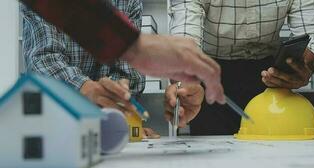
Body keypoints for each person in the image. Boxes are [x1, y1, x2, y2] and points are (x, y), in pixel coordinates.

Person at [166, 0, 314, 134]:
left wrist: (304, 65)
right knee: (213, 162)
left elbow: (313, 36)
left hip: (270, 78)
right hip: (209, 79)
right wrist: (185, 83)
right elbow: (184, 36)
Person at [19, 0, 226, 105]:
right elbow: (44, 62)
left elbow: (128, 76)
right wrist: (86, 88)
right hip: (56, 119)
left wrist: (120, 102)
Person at [22, 1, 161, 138]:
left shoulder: (129, 2)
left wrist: (116, 97)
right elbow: (44, 61)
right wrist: (86, 88)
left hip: (106, 125)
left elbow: (128, 70)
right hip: (52, 123)